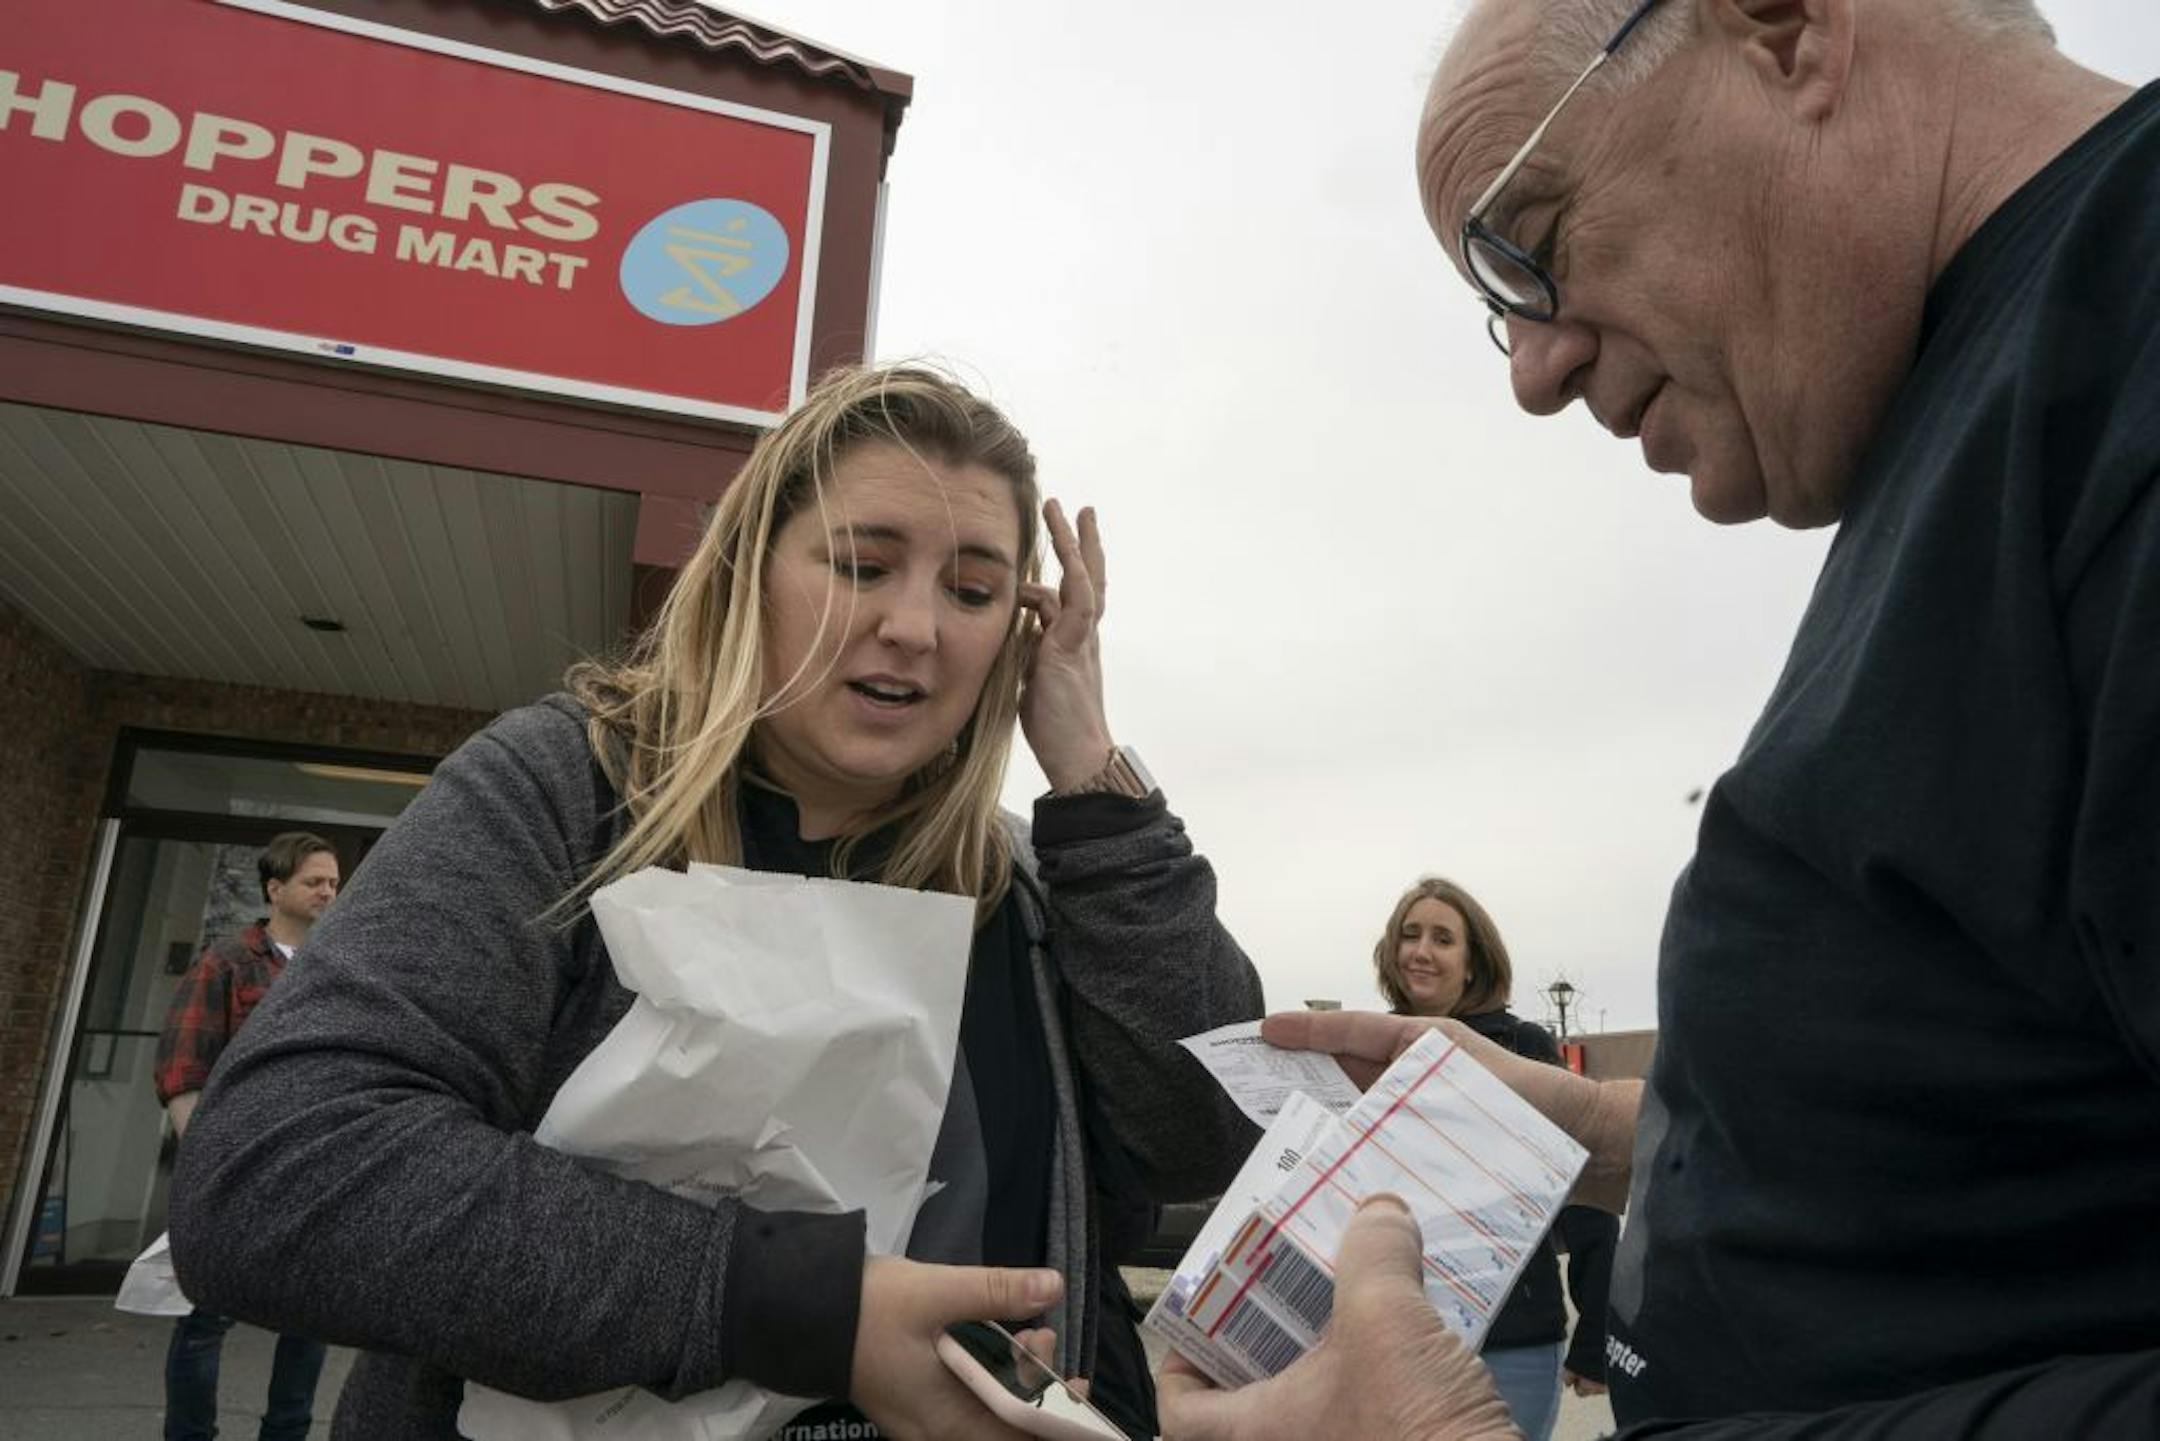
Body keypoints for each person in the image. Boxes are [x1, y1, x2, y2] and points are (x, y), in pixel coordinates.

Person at [1168, 0, 2160, 1434]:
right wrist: (1603, 1135)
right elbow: (2021, 1137)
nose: (1532, 371)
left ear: (1783, 30)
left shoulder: (2122, 339)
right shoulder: (2009, 397)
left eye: (1534, 243)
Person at [167, 363, 1264, 1441]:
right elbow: (277, 1172)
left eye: (973, 591)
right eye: (860, 564)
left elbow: (1199, 1136)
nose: (916, 627)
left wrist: (1092, 782)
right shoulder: (568, 793)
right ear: (751, 570)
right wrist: (802, 1309)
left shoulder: (1023, 884)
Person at [1370, 876, 1616, 1438]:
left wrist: (1596, 1329)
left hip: (1513, 1339)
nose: (1422, 951)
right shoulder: (1366, 1048)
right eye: (1410, 935)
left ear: (1473, 962)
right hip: (1396, 1337)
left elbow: (1584, 1188)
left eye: (1442, 938)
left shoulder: (1522, 1048)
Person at [152, 831, 339, 1441]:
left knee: (309, 1321)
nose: (327, 892)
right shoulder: (227, 961)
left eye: (334, 882)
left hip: (314, 1166)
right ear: (274, 889)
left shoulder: (338, 966)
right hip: (235, 1166)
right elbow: (184, 1066)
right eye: (314, 881)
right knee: (207, 1318)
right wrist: (205, 1159)